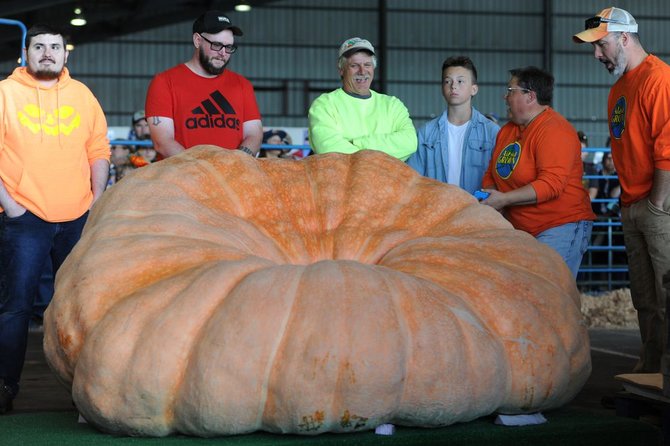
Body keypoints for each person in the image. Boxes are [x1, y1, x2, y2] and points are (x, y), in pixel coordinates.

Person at [0, 24, 109, 413]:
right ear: (25, 54)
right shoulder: (5, 94)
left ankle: (85, 392)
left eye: (55, 47)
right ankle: (5, 385)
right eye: (39, 46)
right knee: (15, 306)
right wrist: (11, 205)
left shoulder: (82, 95)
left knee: (79, 304)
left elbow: (98, 148)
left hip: (78, 215)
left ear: (66, 55)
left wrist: (97, 200)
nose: (47, 53)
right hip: (25, 217)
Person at [574, 7, 670, 373]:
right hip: (632, 206)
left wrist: (656, 204)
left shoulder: (658, 80)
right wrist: (630, 205)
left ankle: (666, 375)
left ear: (625, 39)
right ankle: (650, 370)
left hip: (655, 205)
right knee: (644, 300)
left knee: (666, 295)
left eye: (601, 45)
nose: (597, 54)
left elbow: (667, 150)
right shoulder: (619, 90)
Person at [480, 66, 595, 278]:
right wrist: (491, 195)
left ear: (530, 96)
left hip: (558, 226)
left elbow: (551, 185)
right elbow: (492, 173)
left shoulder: (555, 130)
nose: (505, 96)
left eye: (510, 90)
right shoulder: (507, 131)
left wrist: (504, 200)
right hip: (520, 230)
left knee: (549, 294)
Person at [145, 11, 262, 158]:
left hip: (231, 177)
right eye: (217, 45)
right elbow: (163, 142)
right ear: (197, 40)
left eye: (229, 47)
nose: (223, 53)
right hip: (182, 177)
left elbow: (254, 134)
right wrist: (204, 171)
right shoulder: (164, 82)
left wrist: (235, 165)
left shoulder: (242, 85)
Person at [308, 37, 417, 161]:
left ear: (373, 68)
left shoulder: (392, 105)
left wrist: (357, 143)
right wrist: (379, 158)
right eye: (354, 65)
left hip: (386, 180)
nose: (362, 71)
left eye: (367, 65)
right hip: (340, 180)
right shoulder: (324, 105)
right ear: (341, 70)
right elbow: (328, 149)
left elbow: (409, 142)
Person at [407, 56, 499, 193]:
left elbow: (502, 180)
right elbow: (413, 179)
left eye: (460, 81)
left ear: (474, 89)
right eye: (447, 81)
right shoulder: (426, 133)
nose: (453, 86)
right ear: (442, 88)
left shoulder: (492, 132)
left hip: (478, 209)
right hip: (438, 210)